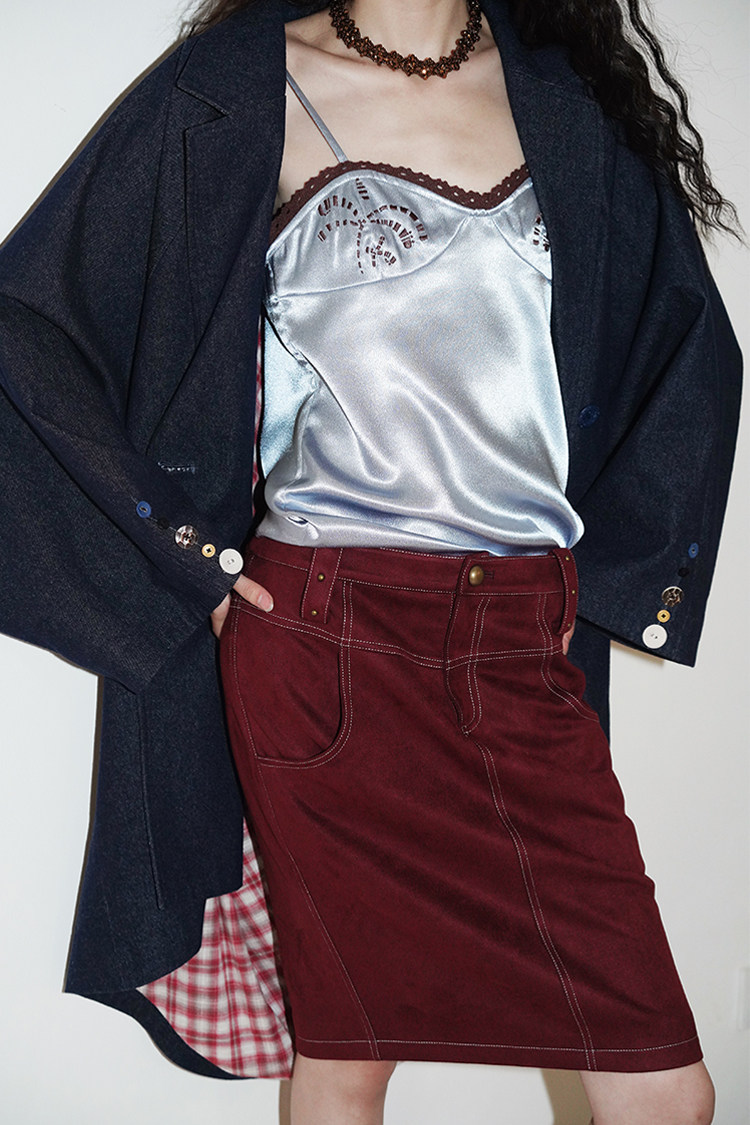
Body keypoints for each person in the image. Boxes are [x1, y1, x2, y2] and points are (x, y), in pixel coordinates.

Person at [0, 1, 742, 1124]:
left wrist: (618, 580)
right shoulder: (239, 82)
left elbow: (686, 344)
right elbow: (28, 327)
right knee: (349, 1064)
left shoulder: (563, 96)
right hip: (325, 645)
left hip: (519, 650)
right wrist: (185, 555)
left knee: (663, 1089)